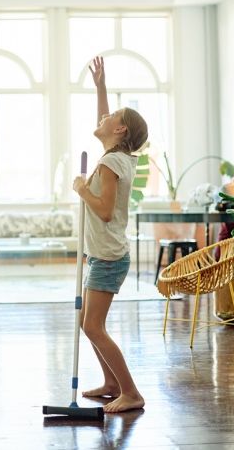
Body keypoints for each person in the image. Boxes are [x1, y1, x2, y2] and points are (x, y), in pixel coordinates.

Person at [72, 56, 148, 413]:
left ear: (120, 131)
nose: (102, 119)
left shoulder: (109, 163)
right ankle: (111, 382)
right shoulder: (118, 156)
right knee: (89, 324)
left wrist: (81, 190)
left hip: (109, 257)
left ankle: (131, 392)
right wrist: (100, 87)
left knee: (93, 326)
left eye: (110, 116)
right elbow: (105, 122)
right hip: (104, 254)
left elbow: (103, 211)